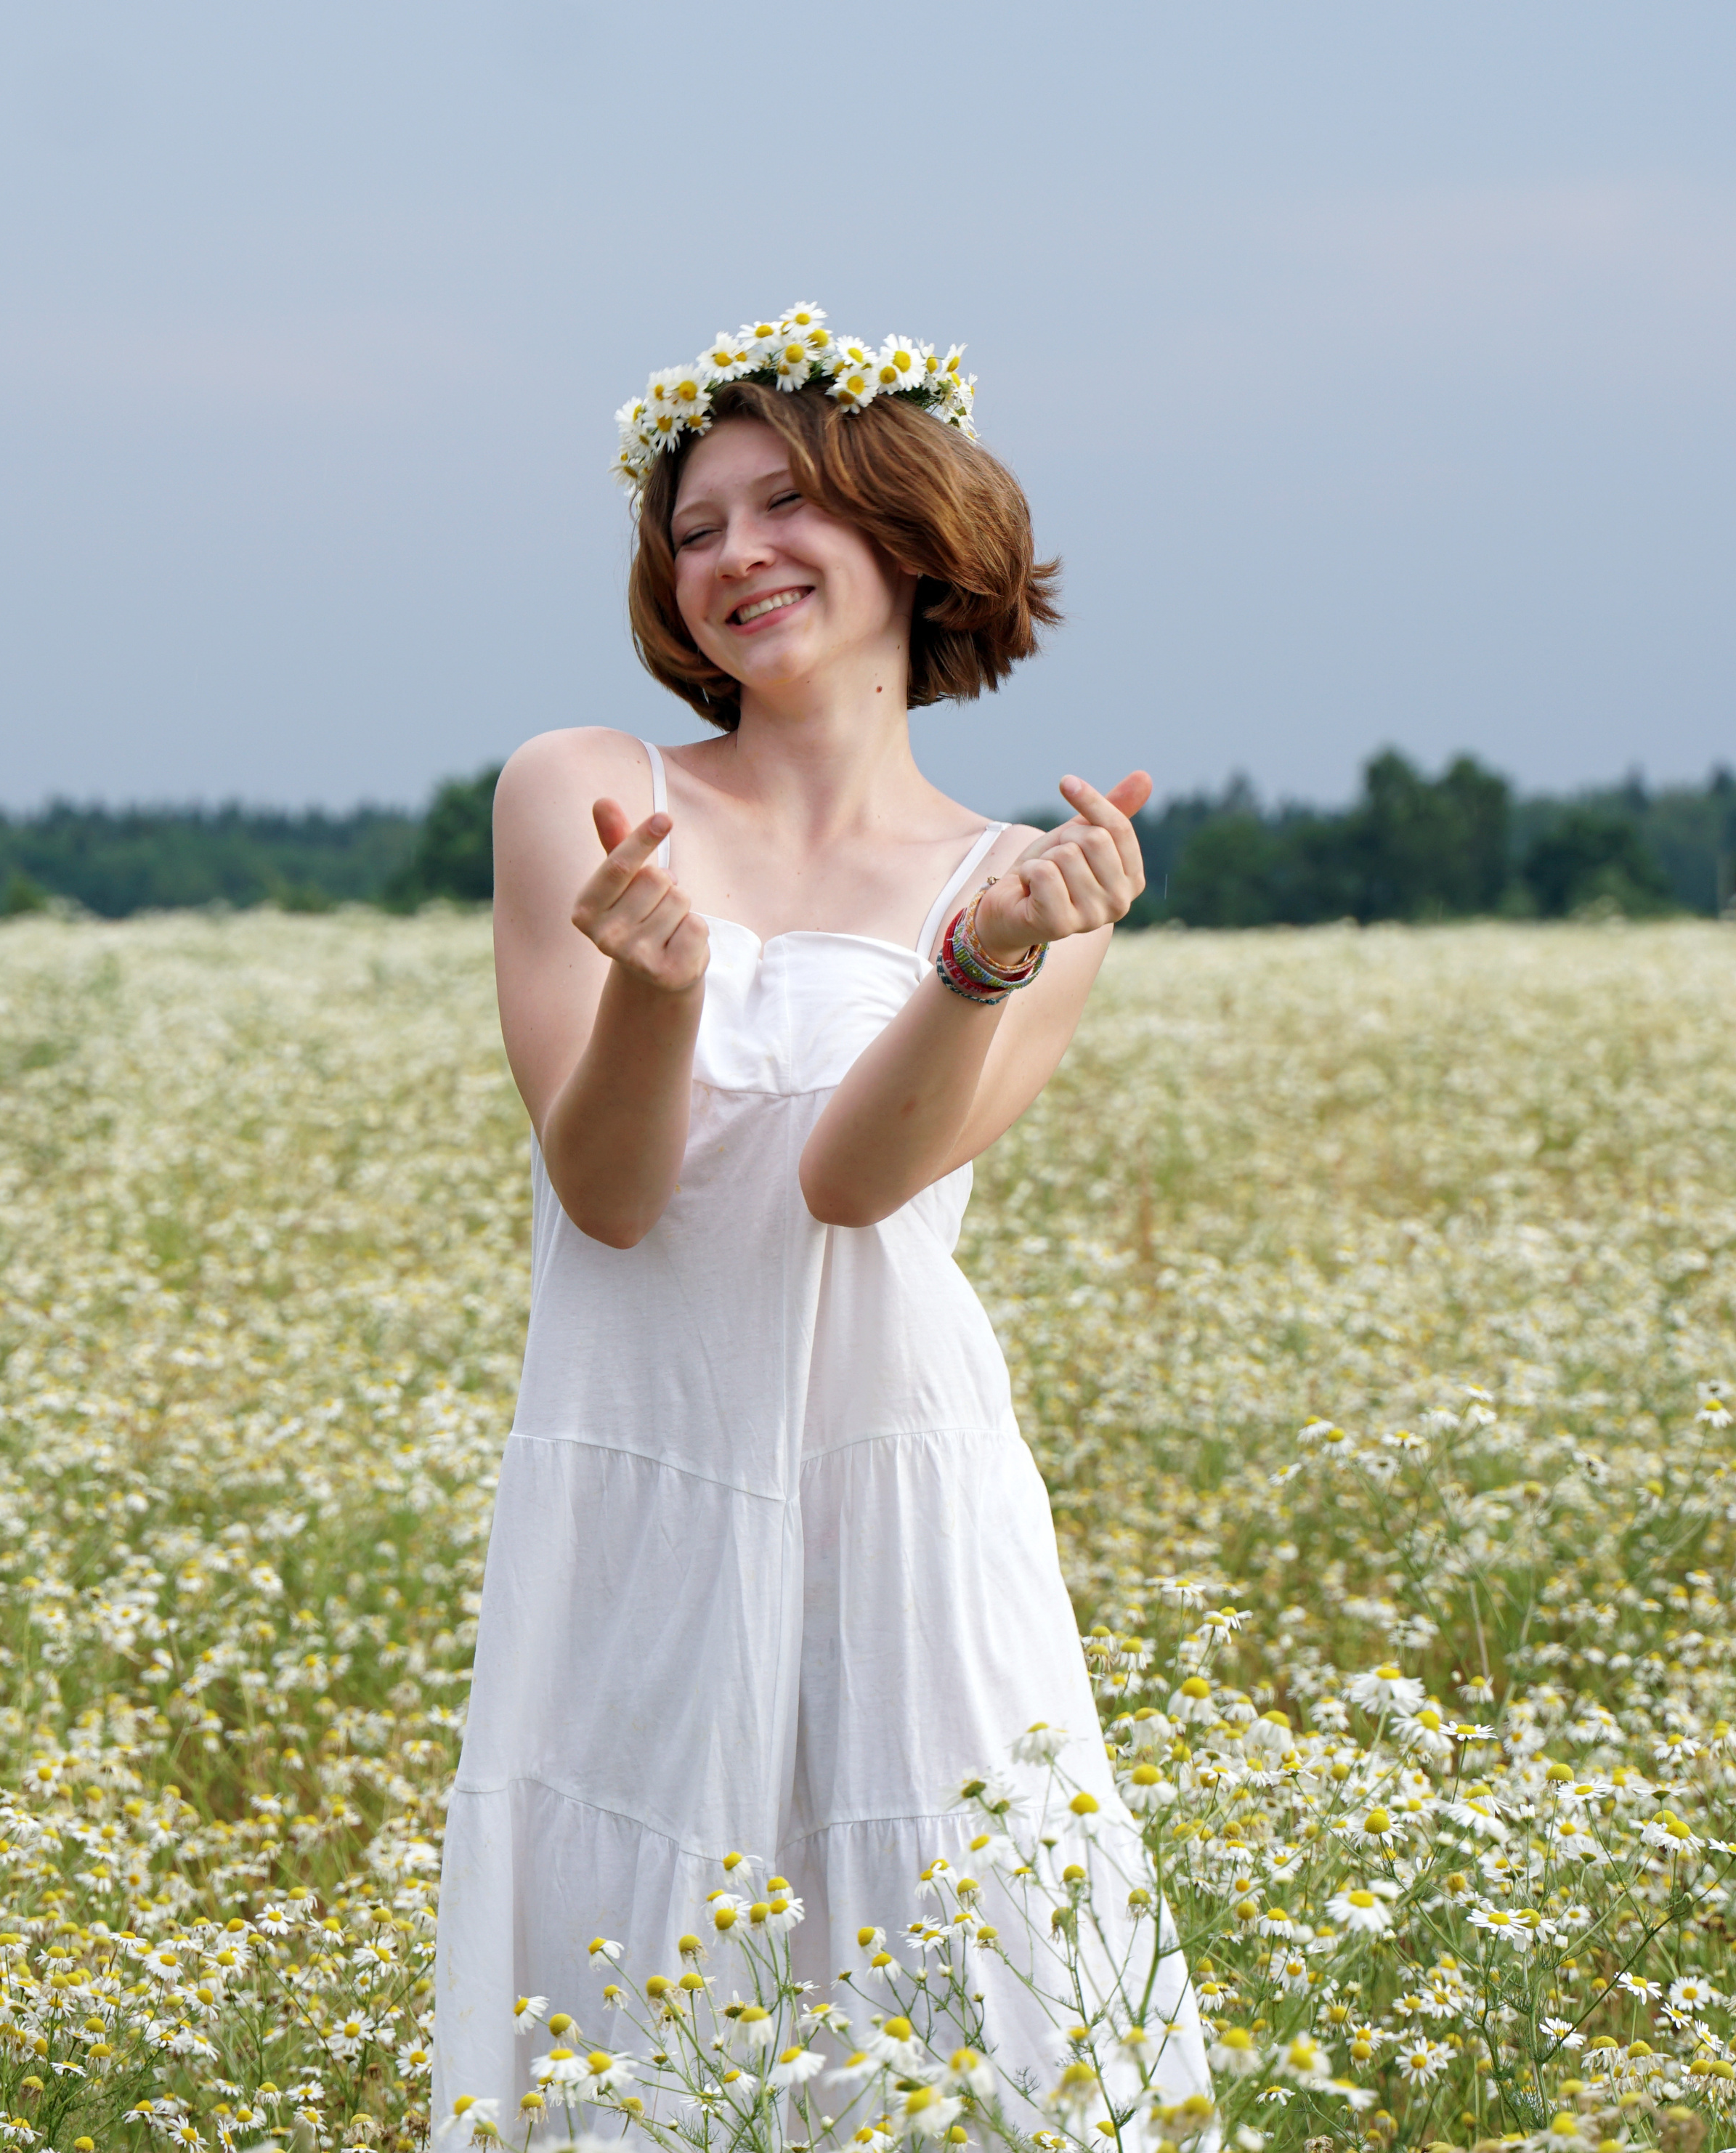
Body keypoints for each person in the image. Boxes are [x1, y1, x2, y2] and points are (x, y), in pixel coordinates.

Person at [432, 310, 1209, 2138]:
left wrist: (978, 961)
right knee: (639, 1991)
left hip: (898, 1482)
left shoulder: (1021, 886)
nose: (730, 557)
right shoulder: (583, 787)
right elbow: (609, 1197)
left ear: (909, 530)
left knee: (950, 1971)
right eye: (691, 529)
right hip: (648, 1471)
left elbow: (855, 1193)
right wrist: (655, 987)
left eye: (783, 505)